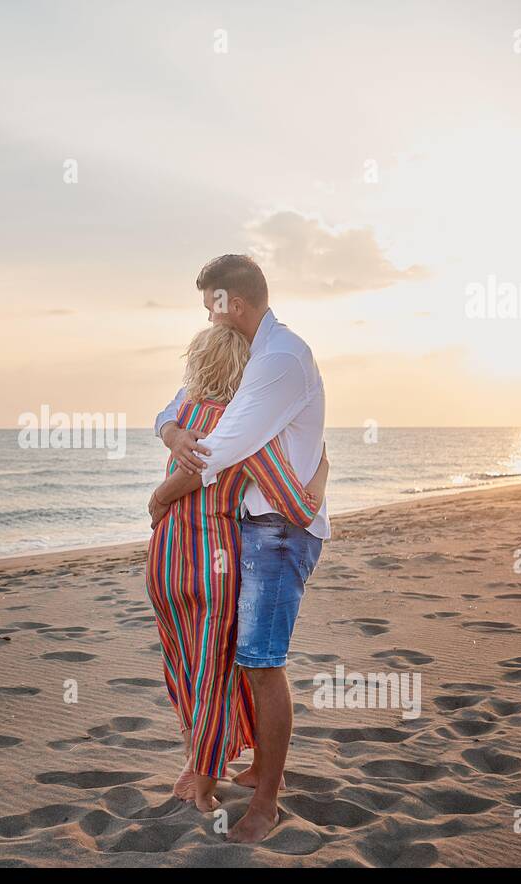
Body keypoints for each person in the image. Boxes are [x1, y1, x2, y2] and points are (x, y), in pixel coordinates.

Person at [149, 254, 329, 842]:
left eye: (211, 304)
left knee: (260, 661)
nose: (207, 315)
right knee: (244, 657)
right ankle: (252, 767)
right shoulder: (253, 355)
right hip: (251, 526)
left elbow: (222, 447)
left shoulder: (277, 358)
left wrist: (162, 494)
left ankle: (267, 804)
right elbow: (176, 411)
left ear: (236, 304)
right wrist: (174, 431)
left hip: (278, 531)